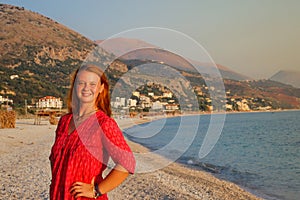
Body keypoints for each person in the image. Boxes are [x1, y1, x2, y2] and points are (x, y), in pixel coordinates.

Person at [49, 64, 135, 199]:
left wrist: (96, 190)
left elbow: (127, 163)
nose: (86, 88)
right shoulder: (64, 121)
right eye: (81, 83)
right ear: (75, 86)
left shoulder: (104, 124)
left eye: (92, 84)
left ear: (101, 88)